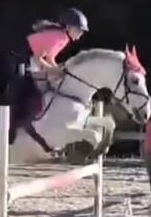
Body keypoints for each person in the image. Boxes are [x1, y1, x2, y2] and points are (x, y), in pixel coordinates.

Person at [5, 8, 89, 144]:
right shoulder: (59, 37)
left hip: (25, 58)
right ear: (68, 27)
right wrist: (54, 71)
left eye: (81, 31)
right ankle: (10, 129)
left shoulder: (63, 37)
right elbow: (39, 59)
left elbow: (49, 58)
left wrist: (56, 70)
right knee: (25, 89)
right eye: (78, 29)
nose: (80, 33)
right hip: (18, 57)